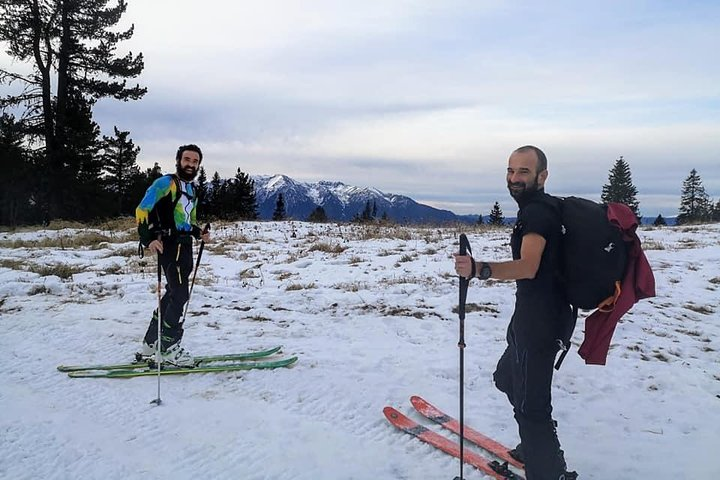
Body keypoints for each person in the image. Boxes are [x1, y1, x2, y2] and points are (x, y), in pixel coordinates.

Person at [455, 145, 578, 480]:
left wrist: (479, 269)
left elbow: (528, 266)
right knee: (507, 377)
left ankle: (548, 469)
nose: (514, 178)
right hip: (531, 316)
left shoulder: (538, 213)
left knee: (532, 408)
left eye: (523, 171)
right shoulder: (542, 208)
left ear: (542, 176)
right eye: (510, 171)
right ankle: (537, 444)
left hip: (540, 322)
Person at [135, 144, 211, 367]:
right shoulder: (165, 184)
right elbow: (142, 210)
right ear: (178, 160)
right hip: (168, 247)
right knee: (180, 295)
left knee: (172, 293)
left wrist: (199, 233)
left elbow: (188, 220)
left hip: (184, 246)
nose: (191, 164)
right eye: (187, 159)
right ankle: (167, 348)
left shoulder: (192, 189)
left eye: (195, 161)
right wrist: (147, 239)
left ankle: (151, 342)